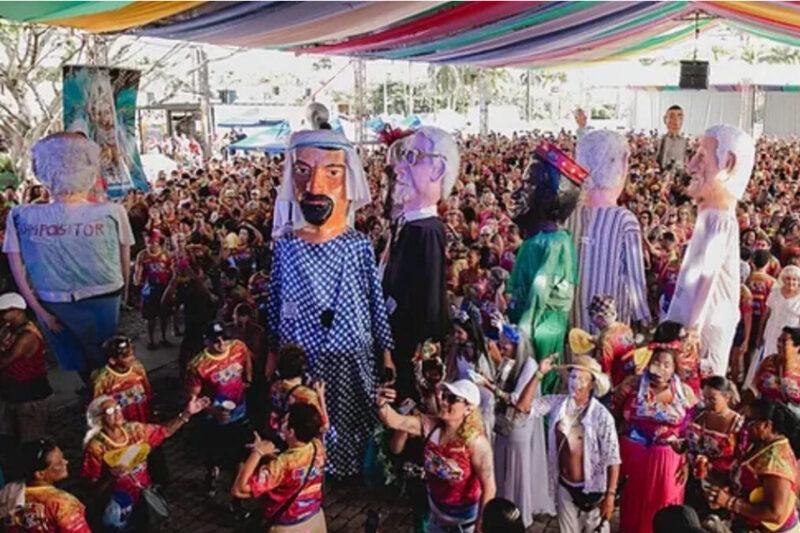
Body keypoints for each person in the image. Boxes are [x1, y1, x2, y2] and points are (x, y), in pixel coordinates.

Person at [266, 129, 394, 478]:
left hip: (349, 352)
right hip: (299, 355)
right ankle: (305, 468)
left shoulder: (357, 245)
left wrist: (386, 350)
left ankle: (344, 466)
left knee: (348, 415)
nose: (315, 186)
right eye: (303, 171)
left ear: (347, 178)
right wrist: (273, 352)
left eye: (331, 172)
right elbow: (275, 301)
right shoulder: (287, 246)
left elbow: (374, 301)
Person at [3, 133, 134, 383]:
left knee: (79, 358)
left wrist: (40, 311)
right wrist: (125, 293)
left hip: (53, 299)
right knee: (105, 356)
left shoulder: (21, 215)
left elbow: (16, 268)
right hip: (103, 295)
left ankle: (95, 392)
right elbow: (124, 259)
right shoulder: (113, 211)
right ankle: (106, 394)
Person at [667, 124, 756, 377]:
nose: (691, 165)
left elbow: (708, 275)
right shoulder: (709, 218)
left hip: (706, 327)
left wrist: (693, 326)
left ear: (727, 164)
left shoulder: (720, 220)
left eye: (701, 157)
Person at [382, 126, 457, 400]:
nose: (400, 169)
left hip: (408, 352)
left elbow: (430, 309)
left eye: (412, 157)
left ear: (437, 170)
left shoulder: (427, 232)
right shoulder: (408, 224)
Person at [506, 141, 586, 394]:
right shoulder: (538, 240)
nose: (519, 191)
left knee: (532, 393)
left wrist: (519, 337)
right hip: (527, 329)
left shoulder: (554, 243)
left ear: (554, 196)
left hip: (538, 336)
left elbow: (537, 299)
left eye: (530, 184)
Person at [514, 355, 620, 533]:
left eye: (581, 378)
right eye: (572, 376)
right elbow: (523, 407)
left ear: (591, 384)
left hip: (592, 490)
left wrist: (610, 495)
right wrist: (539, 374)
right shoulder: (556, 404)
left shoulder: (601, 416)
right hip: (564, 486)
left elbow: (613, 458)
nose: (575, 382)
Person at [376, 380, 496, 533]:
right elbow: (396, 421)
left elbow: (489, 487)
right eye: (444, 396)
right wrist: (381, 404)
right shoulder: (429, 426)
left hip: (465, 523)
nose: (444, 402)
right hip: (436, 517)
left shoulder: (477, 443)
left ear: (468, 408)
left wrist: (481, 525)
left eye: (452, 399)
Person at [81, 393, 209, 529]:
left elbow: (163, 431)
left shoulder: (134, 430)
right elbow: (91, 488)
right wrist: (110, 476)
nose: (118, 412)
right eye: (110, 411)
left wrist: (186, 414)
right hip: (120, 505)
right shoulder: (96, 447)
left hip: (143, 496)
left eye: (118, 407)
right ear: (99, 418)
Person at [569, 130, 650, 335]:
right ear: (622, 164)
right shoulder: (624, 220)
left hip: (572, 323)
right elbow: (635, 281)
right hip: (609, 330)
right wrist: (644, 317)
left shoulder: (569, 215)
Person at [475, 322, 555, 525]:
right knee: (502, 466)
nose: (502, 350)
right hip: (503, 424)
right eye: (500, 346)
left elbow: (517, 400)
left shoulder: (529, 365)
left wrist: (489, 386)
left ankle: (520, 514)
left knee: (517, 468)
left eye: (506, 346)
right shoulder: (508, 362)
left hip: (519, 426)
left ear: (518, 346)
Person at [613, 347, 697, 533]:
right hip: (634, 458)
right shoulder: (632, 385)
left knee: (664, 505)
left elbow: (690, 430)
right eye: (656, 363)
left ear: (675, 368)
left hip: (668, 461)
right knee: (634, 503)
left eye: (667, 365)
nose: (660, 369)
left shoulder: (685, 393)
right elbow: (616, 412)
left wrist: (687, 462)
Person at [705, 399, 800, 533]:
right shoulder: (759, 443)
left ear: (767, 425)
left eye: (749, 421)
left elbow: (776, 514)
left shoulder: (776, 460)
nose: (744, 426)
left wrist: (730, 502)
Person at [231, 403, 327, 533]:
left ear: (291, 431)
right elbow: (296, 465)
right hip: (315, 519)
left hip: (288, 527)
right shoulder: (317, 446)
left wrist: (257, 453)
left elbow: (239, 489)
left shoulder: (282, 465)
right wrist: (268, 454)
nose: (281, 424)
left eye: (285, 422)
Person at [186, 320, 253, 500]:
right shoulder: (198, 365)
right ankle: (211, 474)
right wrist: (211, 411)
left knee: (238, 453)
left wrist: (248, 378)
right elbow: (193, 398)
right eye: (216, 340)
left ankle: (235, 494)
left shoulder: (238, 347)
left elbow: (247, 358)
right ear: (206, 341)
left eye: (224, 338)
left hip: (239, 412)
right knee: (212, 452)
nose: (222, 343)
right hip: (214, 418)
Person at [675, 376, 744, 519]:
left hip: (721, 485)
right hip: (696, 481)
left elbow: (740, 457)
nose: (707, 403)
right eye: (705, 399)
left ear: (727, 397)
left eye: (712, 399)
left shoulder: (737, 423)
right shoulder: (700, 417)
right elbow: (689, 445)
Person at [0, 439, 90, 532]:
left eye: (63, 457)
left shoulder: (9, 491)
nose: (66, 462)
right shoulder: (63, 504)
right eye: (58, 463)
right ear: (39, 474)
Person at [0, 293, 52, 448]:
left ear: (16, 311)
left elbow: (4, 361)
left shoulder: (27, 336)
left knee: (31, 440)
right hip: (13, 393)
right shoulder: (11, 328)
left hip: (29, 396)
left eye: (3, 312)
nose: (1, 316)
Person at [265, 344, 329, 442]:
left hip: (278, 437)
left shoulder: (275, 386)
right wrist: (321, 396)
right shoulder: (307, 395)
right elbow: (324, 427)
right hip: (298, 444)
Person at [91, 335, 152, 424]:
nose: (133, 358)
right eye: (126, 356)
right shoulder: (103, 379)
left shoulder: (137, 368)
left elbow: (146, 388)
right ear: (112, 360)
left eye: (132, 354)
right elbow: (97, 404)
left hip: (141, 413)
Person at [134, 231, 173, 350]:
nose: (151, 245)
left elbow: (171, 270)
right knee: (150, 317)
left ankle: (164, 337)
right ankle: (151, 340)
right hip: (149, 288)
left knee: (164, 316)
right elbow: (138, 271)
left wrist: (172, 288)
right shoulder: (142, 255)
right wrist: (138, 283)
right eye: (148, 242)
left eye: (153, 242)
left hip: (164, 288)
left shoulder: (166, 254)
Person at [588, 294, 637, 387]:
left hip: (616, 383)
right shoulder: (625, 328)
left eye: (592, 315)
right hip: (630, 376)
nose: (591, 320)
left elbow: (605, 370)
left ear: (600, 318)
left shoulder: (606, 341)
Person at [751, 327, 800, 414]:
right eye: (779, 340)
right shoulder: (769, 361)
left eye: (784, 342)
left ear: (797, 347)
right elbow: (754, 387)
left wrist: (779, 384)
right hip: (762, 411)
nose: (779, 344)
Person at [656, 105, 688, 171]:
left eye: (680, 117)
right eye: (671, 117)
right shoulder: (660, 140)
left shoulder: (685, 142)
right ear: (665, 119)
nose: (676, 122)